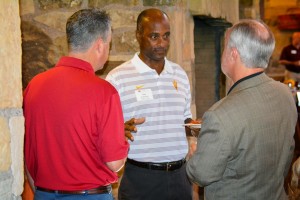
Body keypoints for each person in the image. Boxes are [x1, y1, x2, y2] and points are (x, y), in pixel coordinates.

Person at [23, 9, 129, 200]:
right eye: (109, 44)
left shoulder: (34, 86)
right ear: (99, 45)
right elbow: (115, 162)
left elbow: (29, 154)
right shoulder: (104, 92)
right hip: (90, 195)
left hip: (44, 193)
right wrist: (122, 138)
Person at [186, 19, 298, 200]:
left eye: (224, 47)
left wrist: (194, 156)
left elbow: (201, 174)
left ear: (233, 54)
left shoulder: (219, 115)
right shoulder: (285, 94)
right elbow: (286, 157)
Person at [106, 8, 197, 200]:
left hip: (180, 176)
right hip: (140, 179)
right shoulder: (117, 78)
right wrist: (117, 130)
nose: (162, 43)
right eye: (154, 36)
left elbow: (183, 119)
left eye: (166, 36)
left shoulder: (179, 74)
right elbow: (104, 129)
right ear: (139, 35)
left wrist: (196, 126)